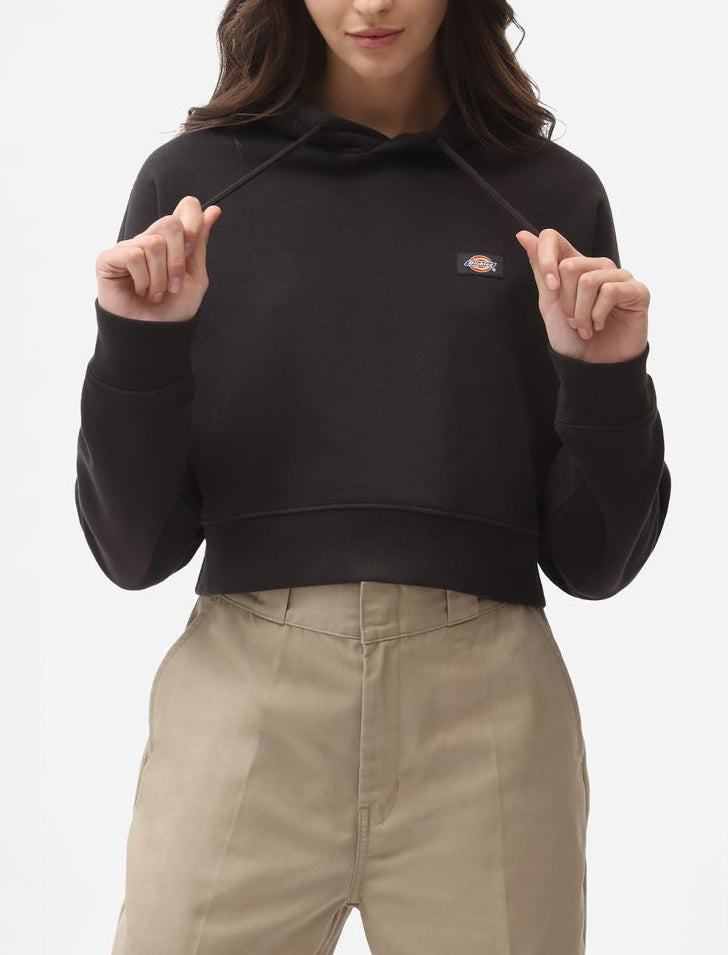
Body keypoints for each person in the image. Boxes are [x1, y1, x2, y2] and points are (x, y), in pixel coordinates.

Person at [74, 0, 671, 951]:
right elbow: (133, 549)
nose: (371, 5)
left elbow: (595, 560)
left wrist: (607, 377)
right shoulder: (194, 185)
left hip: (488, 719)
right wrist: (139, 346)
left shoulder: (549, 193)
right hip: (244, 700)